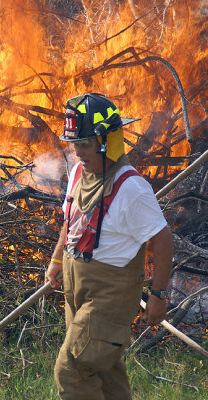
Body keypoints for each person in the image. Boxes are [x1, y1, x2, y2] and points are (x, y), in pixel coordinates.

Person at [45, 93, 173, 400]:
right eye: (74, 143)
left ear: (108, 140)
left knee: (72, 370)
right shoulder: (78, 172)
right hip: (78, 290)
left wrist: (158, 295)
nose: (77, 152)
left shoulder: (131, 187)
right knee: (102, 370)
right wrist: (57, 259)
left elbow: (163, 238)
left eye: (86, 143)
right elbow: (71, 220)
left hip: (110, 297)